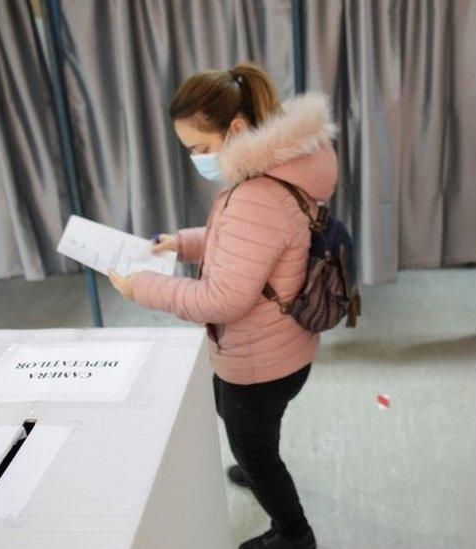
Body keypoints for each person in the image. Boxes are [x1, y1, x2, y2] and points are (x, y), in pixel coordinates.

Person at [108, 61, 336, 549]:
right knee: (234, 416)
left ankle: (294, 535)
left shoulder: (256, 193)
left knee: (257, 454)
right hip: (281, 345)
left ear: (235, 129)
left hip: (260, 359)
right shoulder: (278, 170)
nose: (196, 158)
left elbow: (224, 298)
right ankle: (253, 459)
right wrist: (184, 244)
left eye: (199, 148)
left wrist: (141, 288)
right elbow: (242, 244)